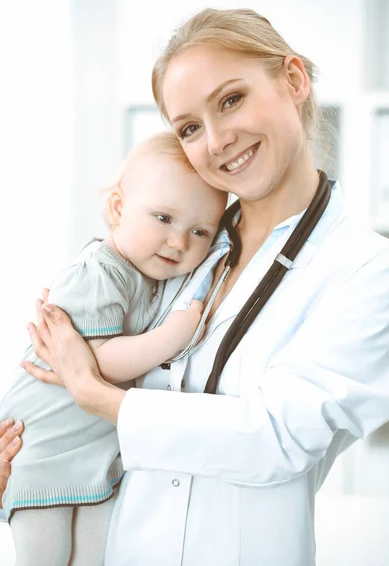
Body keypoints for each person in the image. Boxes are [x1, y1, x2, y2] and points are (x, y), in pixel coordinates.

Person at [2, 7, 389, 566]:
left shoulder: (370, 270)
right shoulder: (178, 249)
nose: (215, 140)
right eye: (189, 127)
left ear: (294, 80)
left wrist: (98, 394)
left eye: (230, 99)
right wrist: (28, 461)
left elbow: (276, 439)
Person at [0, 130, 228, 565]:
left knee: (96, 557)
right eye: (163, 218)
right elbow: (97, 362)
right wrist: (174, 336)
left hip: (93, 456)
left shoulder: (153, 275)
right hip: (41, 446)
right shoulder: (99, 272)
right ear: (119, 208)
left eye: (199, 231)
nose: (179, 242)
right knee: (45, 557)